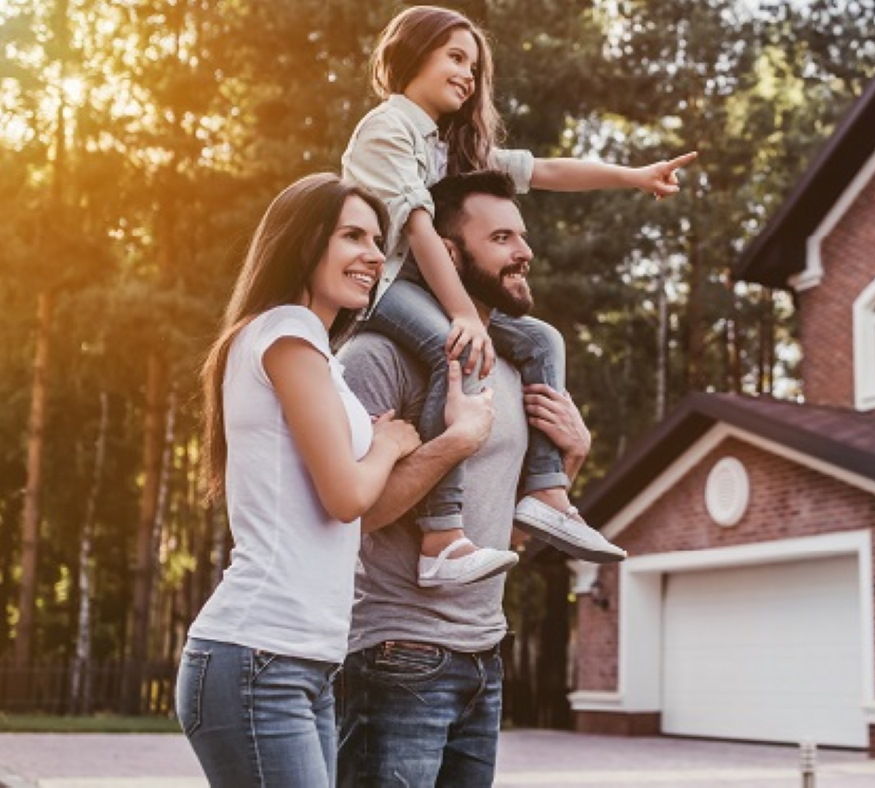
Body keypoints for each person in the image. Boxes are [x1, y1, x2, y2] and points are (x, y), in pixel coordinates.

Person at [342, 4, 695, 587]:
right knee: (454, 348)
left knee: (539, 338)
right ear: (411, 55)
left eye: (475, 67)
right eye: (455, 58)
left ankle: (547, 493)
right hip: (384, 286)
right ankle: (441, 537)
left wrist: (632, 175)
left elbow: (545, 171)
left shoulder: (446, 145)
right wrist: (462, 314)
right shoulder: (389, 127)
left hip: (431, 286)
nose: (468, 75)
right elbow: (419, 230)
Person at [175, 173, 429, 786]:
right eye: (351, 236)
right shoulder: (287, 332)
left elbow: (354, 504)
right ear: (302, 240)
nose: (372, 254)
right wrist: (392, 443)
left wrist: (394, 451)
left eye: (376, 240)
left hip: (304, 663)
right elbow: (347, 496)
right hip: (261, 656)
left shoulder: (309, 349)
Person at [336, 170, 587, 787]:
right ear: (448, 252)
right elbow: (351, 516)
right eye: (501, 237)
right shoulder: (375, 357)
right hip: (396, 654)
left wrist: (570, 461)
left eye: (521, 236)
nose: (523, 252)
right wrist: (454, 444)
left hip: (484, 656)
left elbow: (509, 538)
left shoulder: (515, 367)